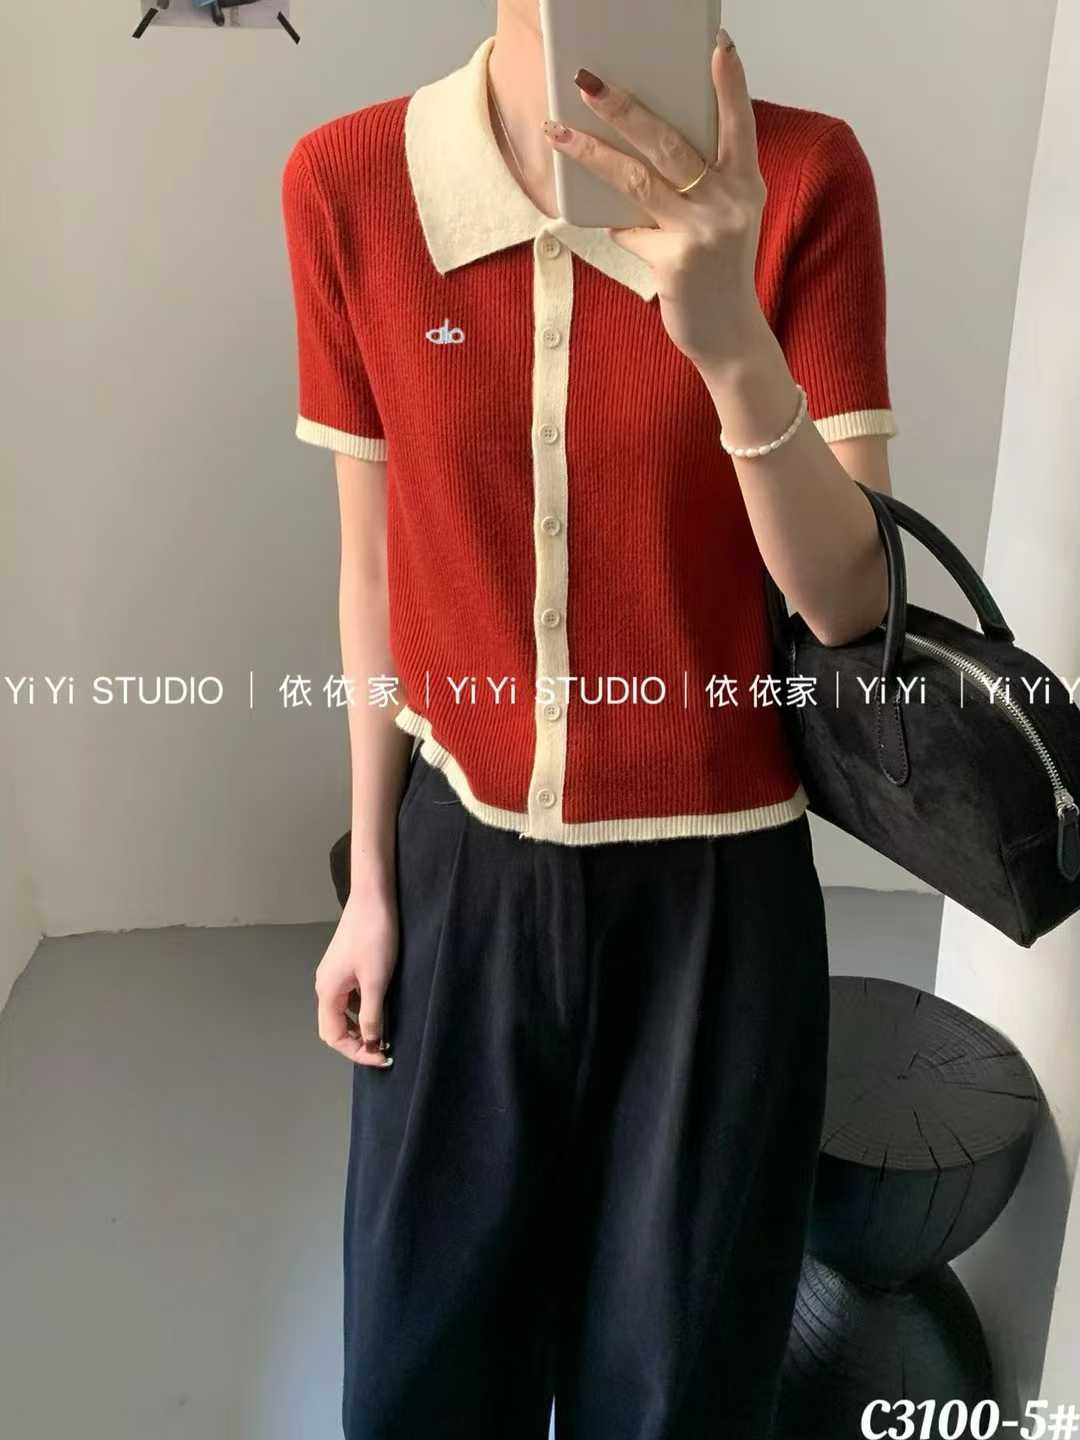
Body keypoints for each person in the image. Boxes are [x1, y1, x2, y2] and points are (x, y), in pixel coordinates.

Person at [281, 2, 898, 1434]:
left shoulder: (808, 178)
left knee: (679, 1386)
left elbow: (849, 605)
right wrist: (372, 885)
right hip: (462, 874)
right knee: (425, 1375)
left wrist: (731, 336)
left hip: (722, 903)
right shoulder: (350, 181)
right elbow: (373, 567)